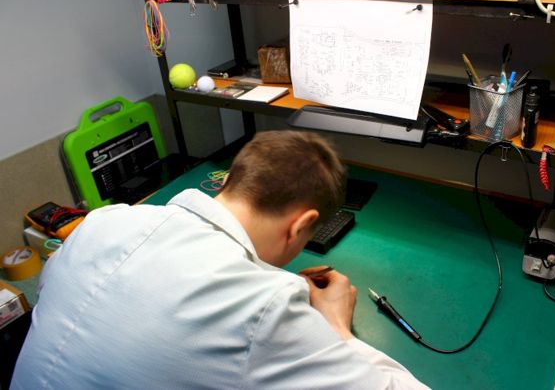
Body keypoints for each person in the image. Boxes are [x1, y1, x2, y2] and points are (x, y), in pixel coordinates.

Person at [11, 130, 429, 389]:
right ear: (302, 226)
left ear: (227, 182)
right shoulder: (262, 306)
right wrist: (336, 330)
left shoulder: (100, 223)